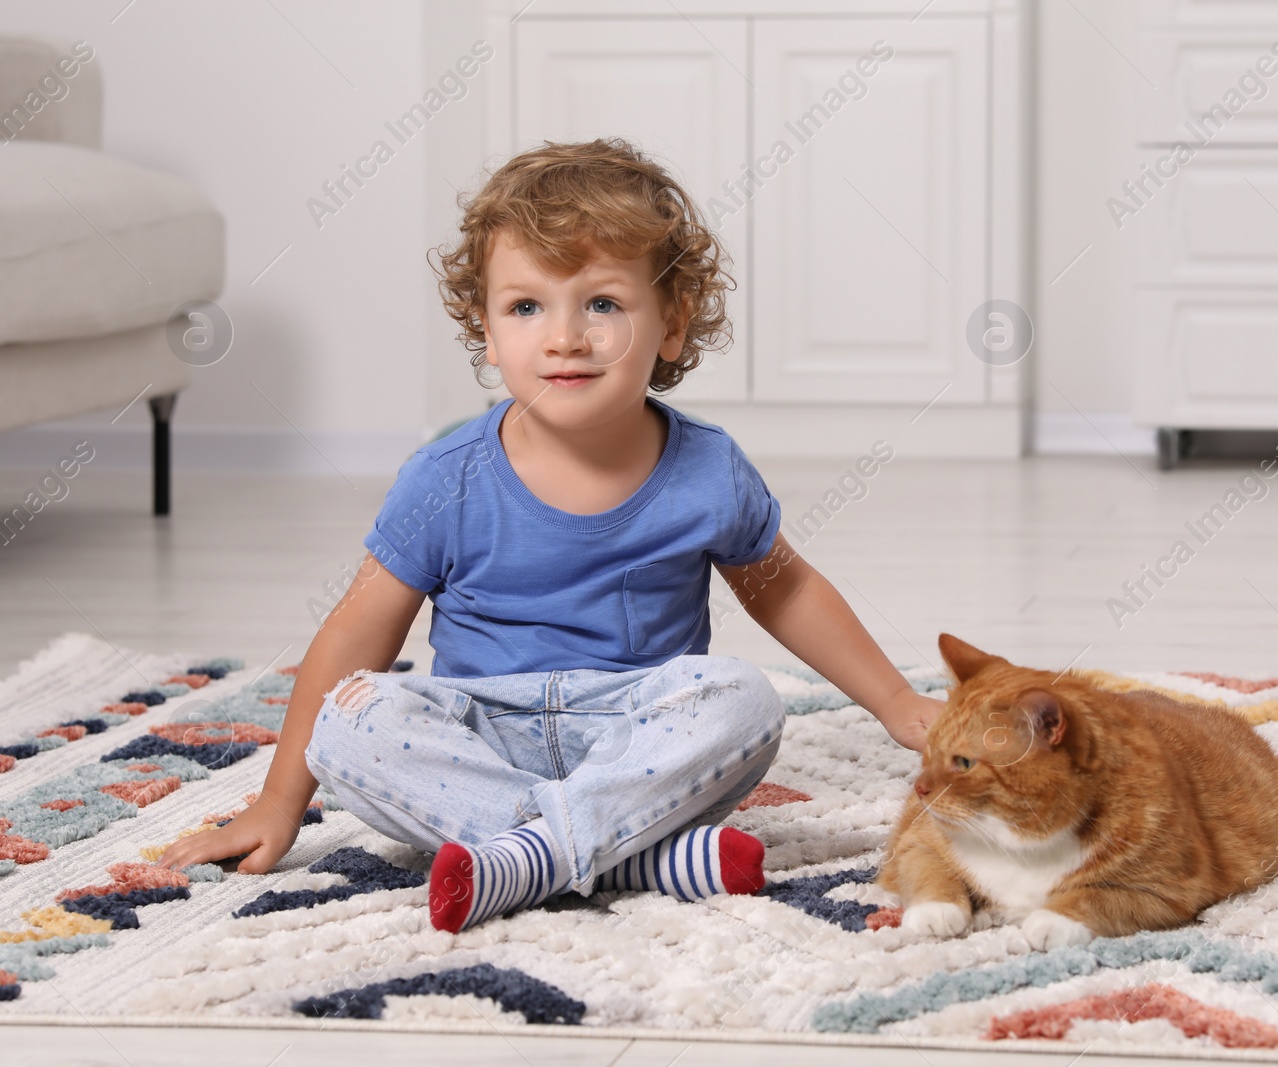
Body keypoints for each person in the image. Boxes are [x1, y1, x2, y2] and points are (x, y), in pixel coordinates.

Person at [156, 138, 946, 933]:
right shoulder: (446, 476)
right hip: (479, 728)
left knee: (743, 698)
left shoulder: (708, 468)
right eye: (526, 307)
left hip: (635, 731)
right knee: (351, 719)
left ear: (670, 326)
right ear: (488, 331)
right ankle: (636, 855)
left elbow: (789, 589)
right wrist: (278, 801)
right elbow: (357, 628)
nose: (564, 335)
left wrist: (895, 700)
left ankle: (530, 847)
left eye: (603, 303)